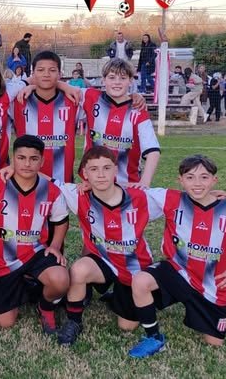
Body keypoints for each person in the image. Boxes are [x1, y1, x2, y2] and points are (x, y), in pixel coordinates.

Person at [128, 155, 226, 358]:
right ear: (180, 180)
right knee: (140, 281)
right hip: (177, 271)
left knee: (214, 343)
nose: (197, 183)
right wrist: (91, 184)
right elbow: (129, 191)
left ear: (214, 180)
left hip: (210, 287)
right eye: (190, 177)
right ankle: (153, 337)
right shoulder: (171, 199)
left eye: (204, 177)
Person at [54, 146, 166, 346]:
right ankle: (74, 321)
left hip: (134, 269)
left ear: (116, 170)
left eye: (106, 168)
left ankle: (118, 295)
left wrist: (213, 196)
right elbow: (45, 180)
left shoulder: (141, 197)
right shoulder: (78, 195)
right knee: (78, 270)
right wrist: (13, 169)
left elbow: (183, 200)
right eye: (94, 169)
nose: (100, 174)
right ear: (85, 173)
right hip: (103, 261)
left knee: (127, 326)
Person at [0, 135, 69, 330]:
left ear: (42, 161)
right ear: (13, 159)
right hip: (3, 262)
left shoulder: (52, 191)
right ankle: (20, 287)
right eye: (21, 158)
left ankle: (45, 307)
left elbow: (61, 221)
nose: (27, 164)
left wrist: (55, 245)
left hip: (35, 254)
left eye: (34, 159)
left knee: (61, 280)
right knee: (5, 322)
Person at [79, 58, 160, 186]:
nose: (117, 82)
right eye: (112, 77)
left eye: (123, 78)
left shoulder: (138, 110)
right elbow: (56, 85)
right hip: (93, 184)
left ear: (130, 80)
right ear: (103, 80)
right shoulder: (91, 97)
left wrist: (145, 181)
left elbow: (153, 151)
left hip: (126, 185)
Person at [12, 51, 80, 183]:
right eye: (41, 70)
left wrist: (63, 85)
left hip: (63, 184)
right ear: (33, 74)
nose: (46, 74)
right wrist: (31, 86)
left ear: (60, 74)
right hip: (25, 183)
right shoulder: (18, 100)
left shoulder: (73, 99)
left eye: (52, 70)